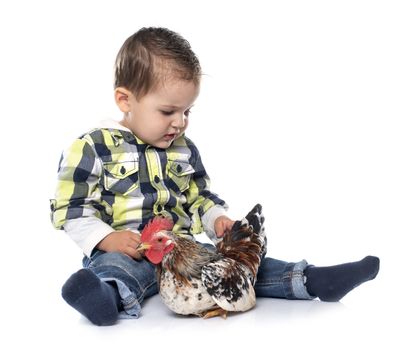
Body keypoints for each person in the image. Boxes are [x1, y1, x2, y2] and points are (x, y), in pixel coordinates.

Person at [50, 27, 380, 326]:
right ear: (125, 100)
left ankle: (311, 280)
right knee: (115, 270)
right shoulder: (93, 146)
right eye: (168, 112)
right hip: (128, 252)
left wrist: (216, 219)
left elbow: (198, 196)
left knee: (231, 269)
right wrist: (105, 239)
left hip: (180, 254)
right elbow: (71, 207)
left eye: (186, 112)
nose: (179, 123)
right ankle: (104, 297)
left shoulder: (183, 149)